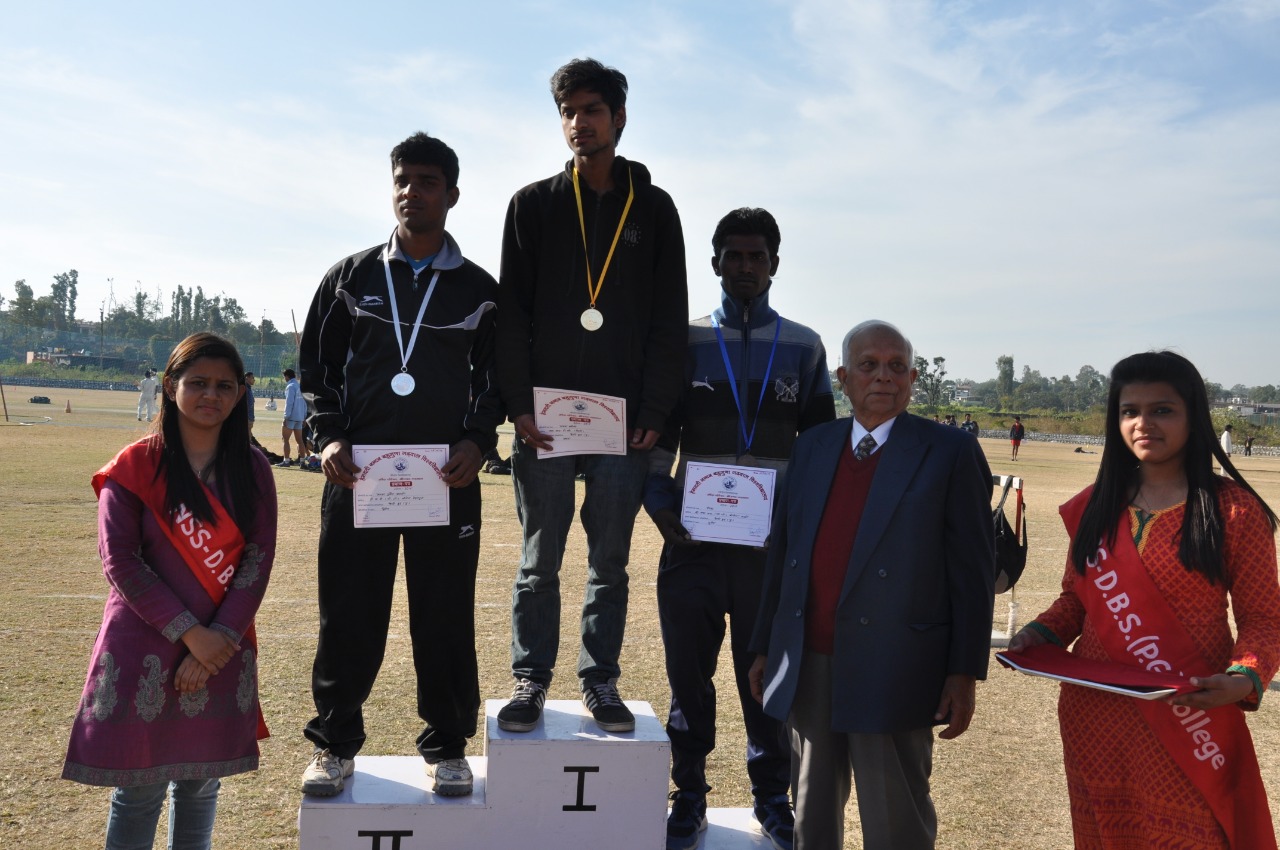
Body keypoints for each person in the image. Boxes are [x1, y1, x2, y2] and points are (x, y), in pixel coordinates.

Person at [296, 132, 501, 798]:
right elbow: (316, 369)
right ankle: (334, 744)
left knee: (445, 615)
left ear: (452, 195)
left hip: (447, 478)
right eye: (403, 180)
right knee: (349, 612)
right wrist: (328, 437)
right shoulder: (350, 277)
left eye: (428, 182)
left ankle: (447, 746)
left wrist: (477, 441)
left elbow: (496, 379)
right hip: (358, 475)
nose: (413, 192)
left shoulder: (480, 290)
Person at [1008, 351, 1280, 849]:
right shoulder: (1095, 505)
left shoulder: (1234, 512)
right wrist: (1039, 634)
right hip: (1094, 716)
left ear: (1193, 416)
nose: (1143, 423)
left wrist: (1244, 678)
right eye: (1129, 411)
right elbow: (1075, 600)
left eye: (1162, 410)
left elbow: (1264, 619)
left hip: (1189, 713)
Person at [748, 320, 995, 850]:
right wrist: (767, 645)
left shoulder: (949, 451)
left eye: (896, 366)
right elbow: (784, 553)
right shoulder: (812, 446)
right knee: (812, 811)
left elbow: (972, 573)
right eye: (868, 365)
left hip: (897, 663)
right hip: (809, 661)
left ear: (913, 379)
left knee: (896, 819)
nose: (884, 376)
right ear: (843, 378)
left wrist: (963, 672)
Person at [496, 57, 688, 734]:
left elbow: (669, 319)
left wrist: (656, 411)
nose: (580, 122)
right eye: (569, 112)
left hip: (622, 423)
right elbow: (512, 314)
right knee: (538, 559)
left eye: (593, 110)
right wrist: (518, 405)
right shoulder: (532, 204)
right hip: (545, 419)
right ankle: (530, 678)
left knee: (610, 561)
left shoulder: (654, 209)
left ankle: (599, 678)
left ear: (619, 118)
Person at [645, 208, 834, 850]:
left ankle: (772, 799)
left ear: (774, 264)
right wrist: (659, 497)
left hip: (768, 552)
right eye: (734, 255)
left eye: (758, 256)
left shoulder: (804, 346)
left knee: (766, 677)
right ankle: (689, 795)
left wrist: (797, 523)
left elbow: (818, 447)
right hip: (692, 544)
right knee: (687, 677)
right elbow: (658, 434)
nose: (746, 266)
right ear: (715, 262)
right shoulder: (686, 340)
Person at [64, 332, 276, 850]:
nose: (211, 395)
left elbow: (256, 560)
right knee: (138, 789)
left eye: (225, 385)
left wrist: (218, 639)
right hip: (146, 643)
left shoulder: (251, 468)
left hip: (223, 644)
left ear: (240, 393)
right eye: (198, 382)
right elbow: (120, 560)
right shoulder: (135, 466)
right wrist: (193, 636)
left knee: (202, 785)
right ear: (169, 385)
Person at [277, 369, 306, 467]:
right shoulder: (300, 386)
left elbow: (289, 403)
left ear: (287, 376)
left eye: (284, 377)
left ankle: (286, 461)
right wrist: (304, 417)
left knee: (285, 439)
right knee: (300, 440)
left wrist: (286, 416)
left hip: (291, 417)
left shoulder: (290, 386)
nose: (284, 379)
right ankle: (302, 462)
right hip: (300, 417)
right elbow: (305, 403)